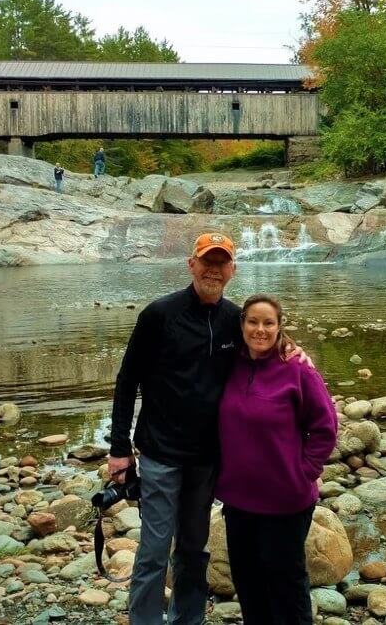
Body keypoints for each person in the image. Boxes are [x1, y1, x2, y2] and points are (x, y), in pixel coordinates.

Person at [109, 233, 308, 625]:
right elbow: (127, 379)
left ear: (232, 270)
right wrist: (119, 447)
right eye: (206, 261)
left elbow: (266, 345)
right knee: (152, 550)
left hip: (206, 461)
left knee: (193, 549)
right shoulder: (158, 314)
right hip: (160, 454)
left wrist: (296, 352)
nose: (213, 270)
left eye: (221, 263)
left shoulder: (236, 320)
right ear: (191, 265)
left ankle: (189, 619)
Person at [214, 294, 337, 625]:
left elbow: (325, 428)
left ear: (280, 326)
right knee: (248, 582)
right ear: (241, 325)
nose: (260, 329)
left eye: (268, 323)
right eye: (253, 321)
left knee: (286, 584)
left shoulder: (297, 369)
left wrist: (304, 472)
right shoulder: (231, 364)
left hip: (286, 501)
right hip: (239, 501)